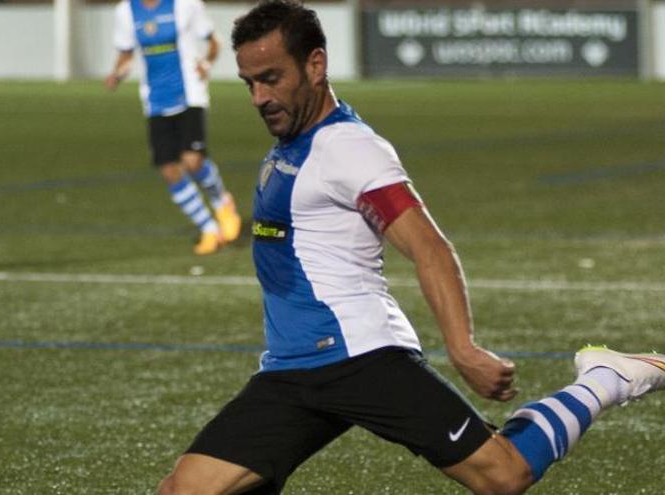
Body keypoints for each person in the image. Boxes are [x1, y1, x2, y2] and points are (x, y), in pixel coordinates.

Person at [156, 1, 665, 493]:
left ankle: (604, 379)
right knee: (185, 489)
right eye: (249, 83)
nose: (259, 98)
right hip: (291, 370)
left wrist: (462, 348)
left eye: (271, 78)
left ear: (316, 65)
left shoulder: (350, 149)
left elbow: (429, 247)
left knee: (502, 475)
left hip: (360, 357)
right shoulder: (290, 144)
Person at [106, 0, 241, 255]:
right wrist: (118, 73)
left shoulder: (186, 4)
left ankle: (222, 202)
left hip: (190, 93)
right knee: (169, 170)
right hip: (155, 101)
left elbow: (214, 42)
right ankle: (209, 229)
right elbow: (126, 54)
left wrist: (207, 64)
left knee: (193, 162)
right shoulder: (126, 11)